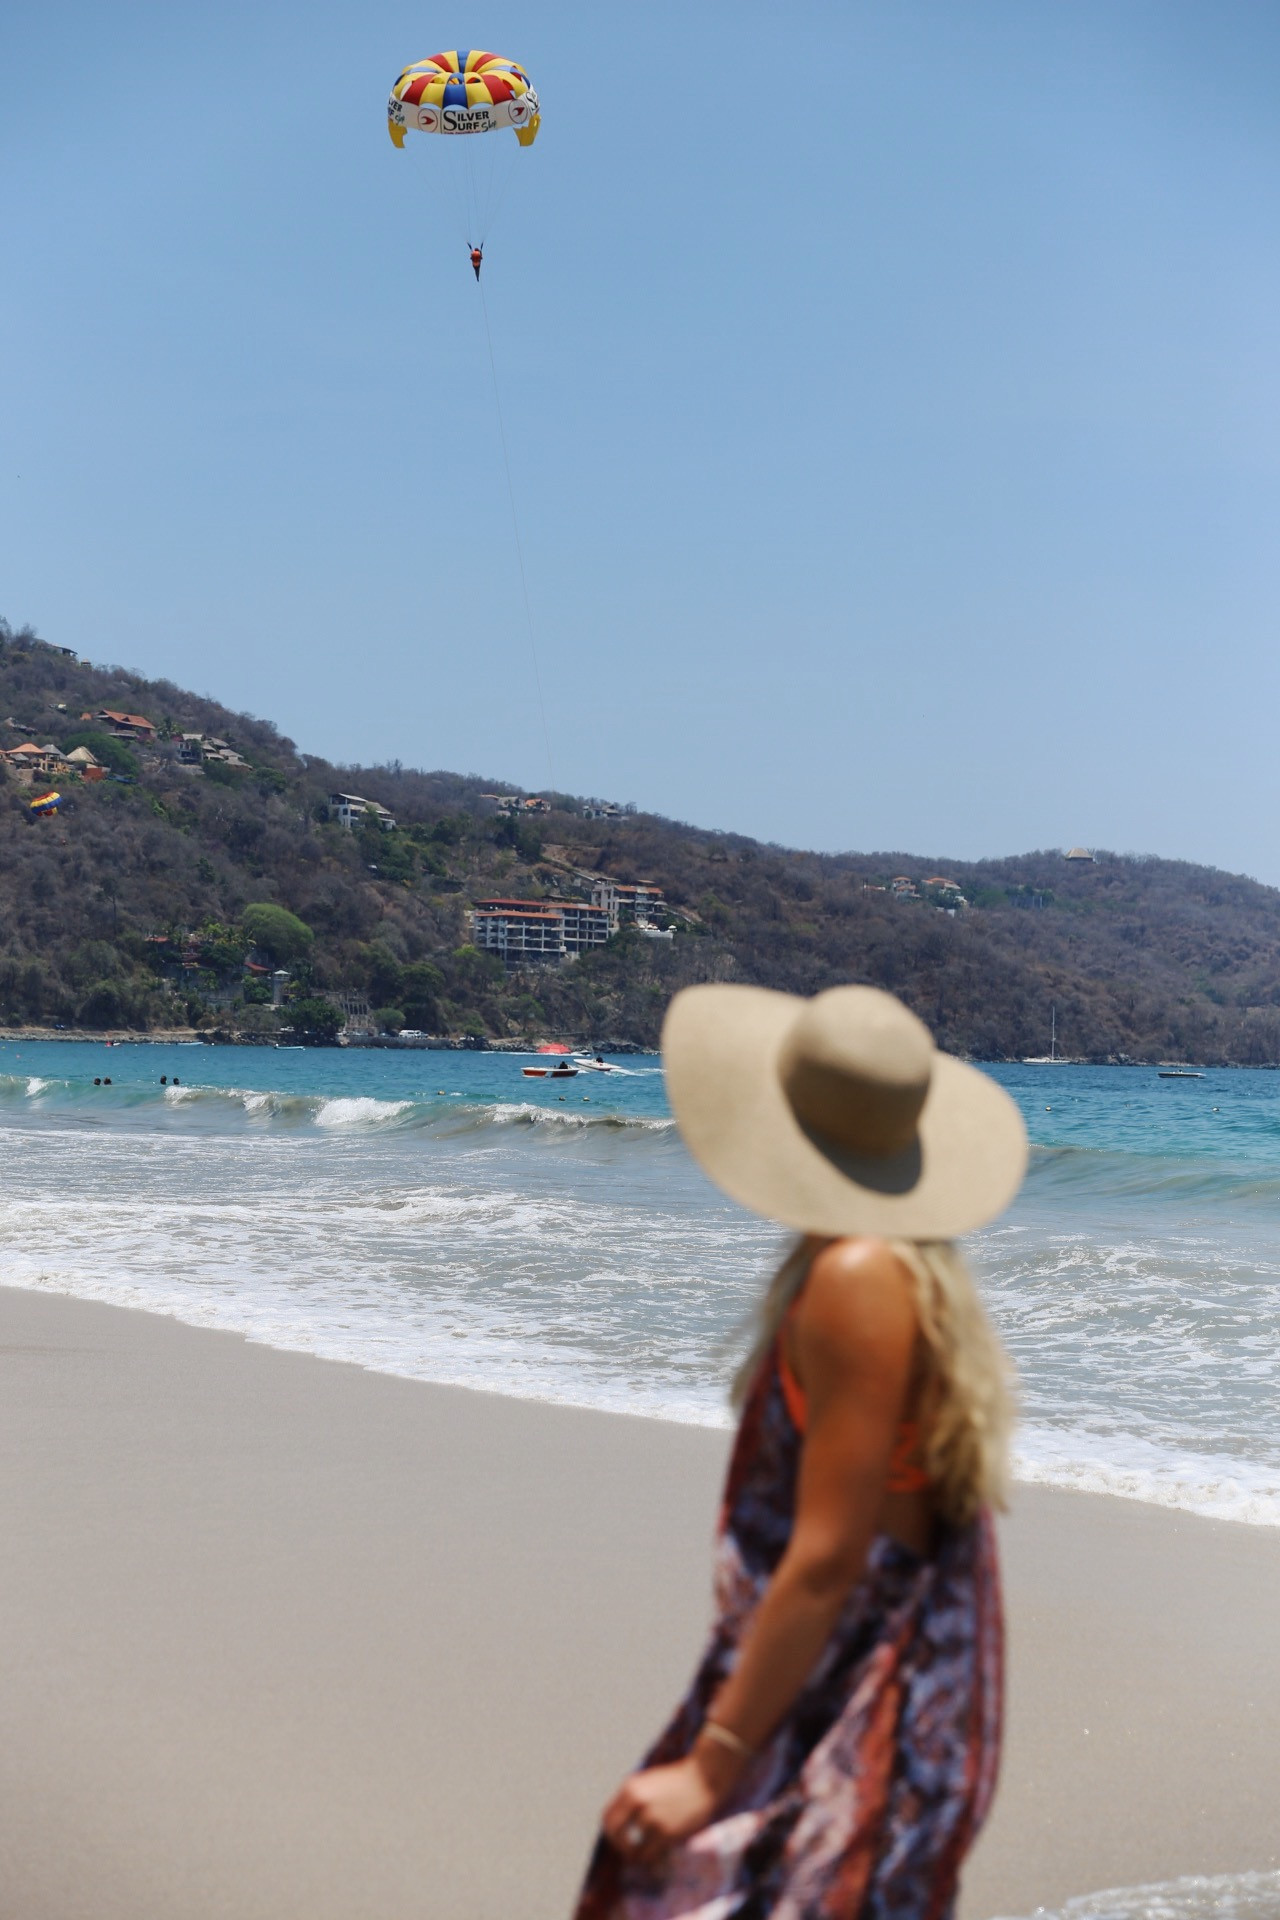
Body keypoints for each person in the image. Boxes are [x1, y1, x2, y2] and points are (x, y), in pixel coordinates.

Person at [573, 982, 1027, 1920]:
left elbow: (828, 1557)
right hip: (862, 1670)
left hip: (857, 1677)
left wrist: (711, 1766)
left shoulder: (857, 1277)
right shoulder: (898, 1267)